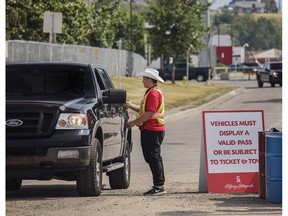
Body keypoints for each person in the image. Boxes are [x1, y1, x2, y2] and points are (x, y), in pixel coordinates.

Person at [125, 68, 167, 196]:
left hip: (152, 130)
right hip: (151, 129)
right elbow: (143, 110)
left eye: (144, 78)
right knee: (153, 157)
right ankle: (159, 185)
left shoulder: (153, 93)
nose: (142, 81)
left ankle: (159, 186)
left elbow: (149, 113)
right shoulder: (150, 92)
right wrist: (128, 105)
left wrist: (133, 123)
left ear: (150, 79)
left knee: (153, 157)